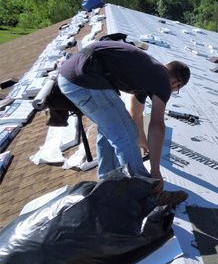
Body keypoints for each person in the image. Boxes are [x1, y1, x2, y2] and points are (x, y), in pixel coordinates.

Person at [58, 39, 191, 205]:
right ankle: (149, 194)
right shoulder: (162, 80)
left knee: (110, 130)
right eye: (176, 90)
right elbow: (157, 124)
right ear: (177, 83)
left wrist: (142, 139)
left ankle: (107, 183)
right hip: (86, 78)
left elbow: (135, 113)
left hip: (70, 75)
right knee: (125, 135)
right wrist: (155, 170)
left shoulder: (149, 73)